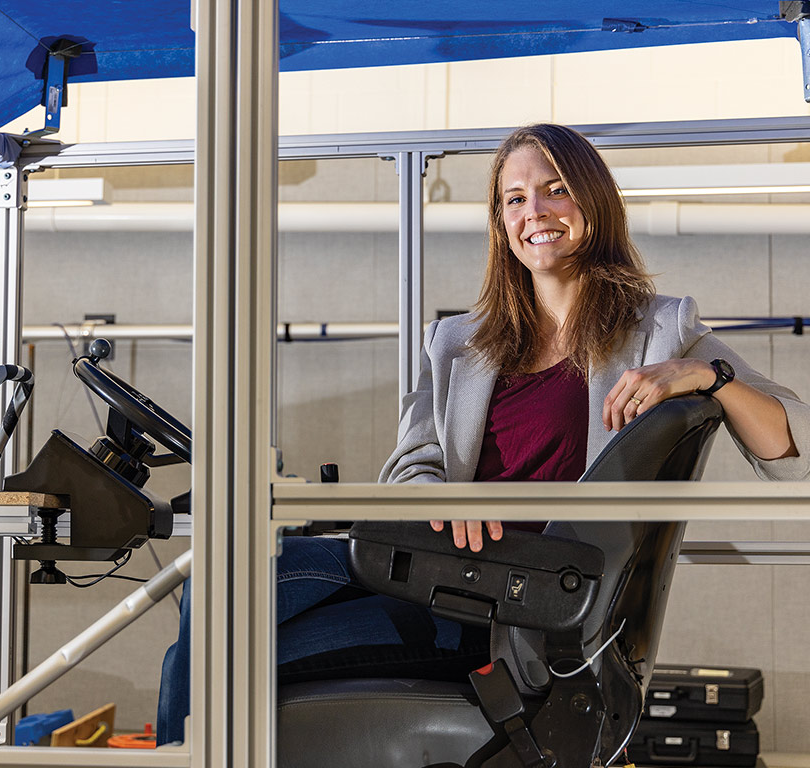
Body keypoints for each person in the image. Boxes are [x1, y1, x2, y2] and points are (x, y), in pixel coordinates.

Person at [156, 123, 810, 745]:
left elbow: (791, 447)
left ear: (595, 201)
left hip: (520, 601)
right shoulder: (453, 343)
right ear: (500, 221)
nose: (537, 212)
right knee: (218, 588)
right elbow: (408, 468)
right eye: (515, 198)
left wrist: (704, 374)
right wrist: (444, 497)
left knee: (220, 647)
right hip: (436, 570)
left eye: (556, 188)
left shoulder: (662, 330)